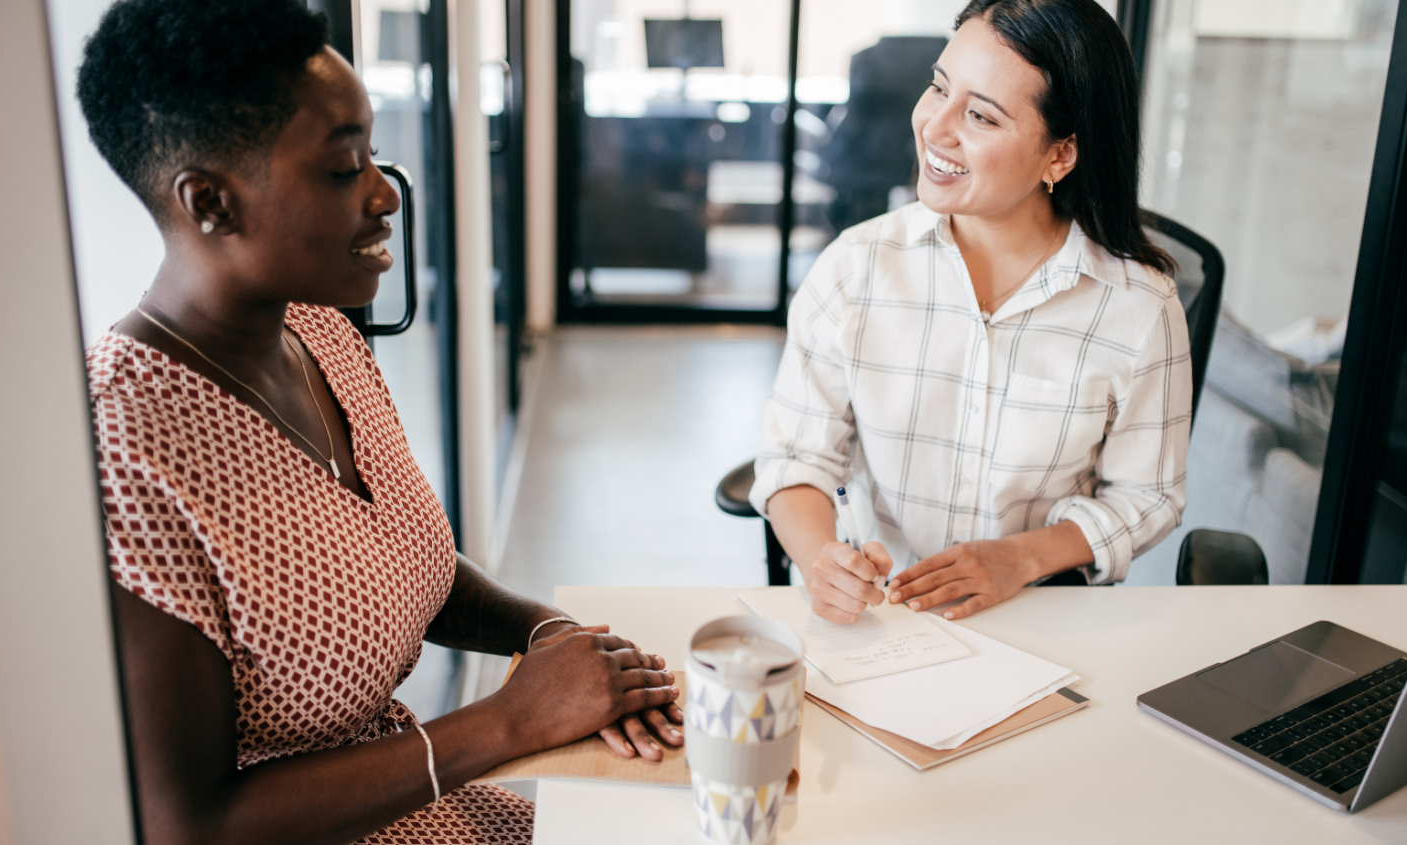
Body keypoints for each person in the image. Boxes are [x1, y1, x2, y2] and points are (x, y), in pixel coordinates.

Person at [77, 2, 680, 843]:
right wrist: (507, 722)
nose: (383, 192)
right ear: (209, 201)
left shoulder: (316, 328)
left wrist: (545, 632)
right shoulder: (121, 451)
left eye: (372, 151)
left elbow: (398, 566)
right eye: (341, 167)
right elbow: (188, 824)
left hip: (419, 800)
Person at [752, 0, 1189, 625]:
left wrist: (1017, 559)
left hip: (1045, 616)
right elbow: (797, 457)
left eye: (981, 115)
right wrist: (824, 562)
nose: (936, 127)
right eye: (938, 87)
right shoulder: (856, 268)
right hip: (885, 615)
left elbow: (1148, 495)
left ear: (1060, 156)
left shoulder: (1140, 307)